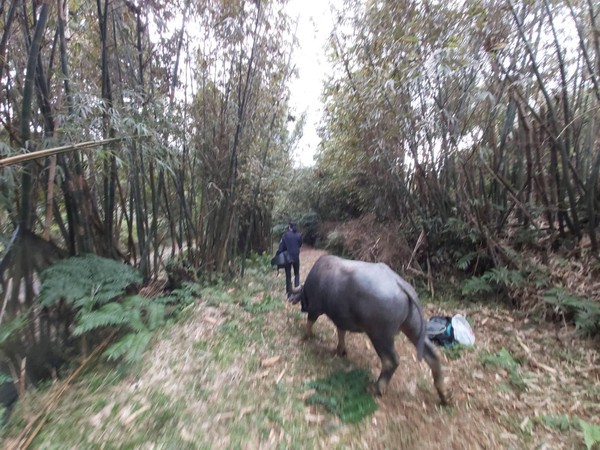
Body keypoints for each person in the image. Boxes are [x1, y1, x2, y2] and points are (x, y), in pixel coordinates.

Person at [277, 221, 303, 298]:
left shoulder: (285, 235)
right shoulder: (299, 235)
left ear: (289, 227)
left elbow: (281, 247)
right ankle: (297, 291)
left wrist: (278, 254)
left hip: (287, 257)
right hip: (296, 257)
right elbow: (300, 244)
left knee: (288, 275)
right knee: (296, 273)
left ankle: (289, 293)